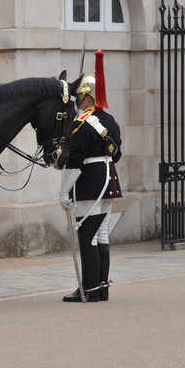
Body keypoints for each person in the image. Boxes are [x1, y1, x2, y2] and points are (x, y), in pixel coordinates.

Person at [59, 50, 122, 302]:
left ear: (87, 98)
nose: (78, 102)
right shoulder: (111, 121)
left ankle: (89, 290)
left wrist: (63, 191)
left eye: (80, 98)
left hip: (90, 182)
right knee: (101, 234)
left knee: (87, 237)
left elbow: (75, 161)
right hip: (109, 179)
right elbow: (117, 154)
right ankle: (102, 287)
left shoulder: (81, 124)